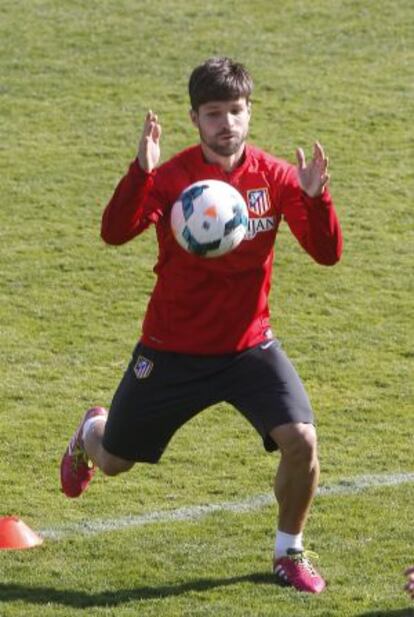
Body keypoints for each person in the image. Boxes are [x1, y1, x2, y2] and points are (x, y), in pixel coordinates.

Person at [60, 57, 343, 594]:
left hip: (248, 347)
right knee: (116, 459)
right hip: (171, 349)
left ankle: (289, 551)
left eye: (235, 111)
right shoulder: (171, 179)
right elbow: (114, 233)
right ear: (194, 118)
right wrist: (141, 173)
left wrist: (314, 198)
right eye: (214, 113)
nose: (227, 124)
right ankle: (90, 431)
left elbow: (326, 255)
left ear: (249, 112)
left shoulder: (277, 177)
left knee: (302, 440)